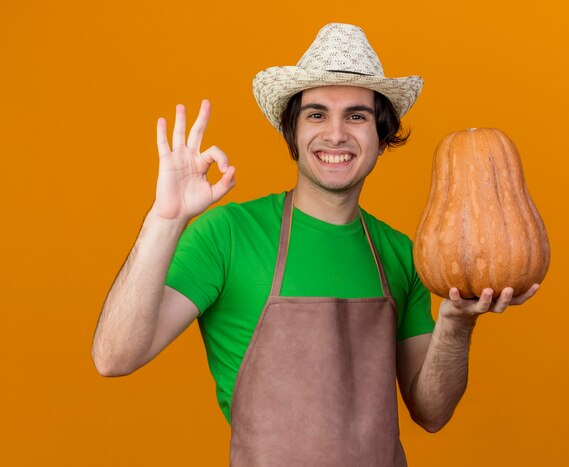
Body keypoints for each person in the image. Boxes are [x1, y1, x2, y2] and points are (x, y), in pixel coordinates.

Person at [92, 23, 539, 466]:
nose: (336, 134)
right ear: (294, 131)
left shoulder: (403, 253)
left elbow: (432, 412)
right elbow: (114, 358)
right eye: (317, 113)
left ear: (381, 135)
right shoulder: (229, 233)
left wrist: (457, 322)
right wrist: (165, 221)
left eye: (357, 116)